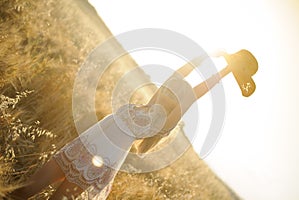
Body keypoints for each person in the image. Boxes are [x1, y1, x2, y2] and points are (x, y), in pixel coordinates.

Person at [10, 49, 258, 199]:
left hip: (102, 160)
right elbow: (184, 70)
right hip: (88, 142)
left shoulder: (166, 120)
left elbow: (202, 87)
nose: (172, 90)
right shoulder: (153, 100)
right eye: (171, 88)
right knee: (24, 190)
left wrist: (227, 70)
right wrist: (209, 55)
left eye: (178, 95)